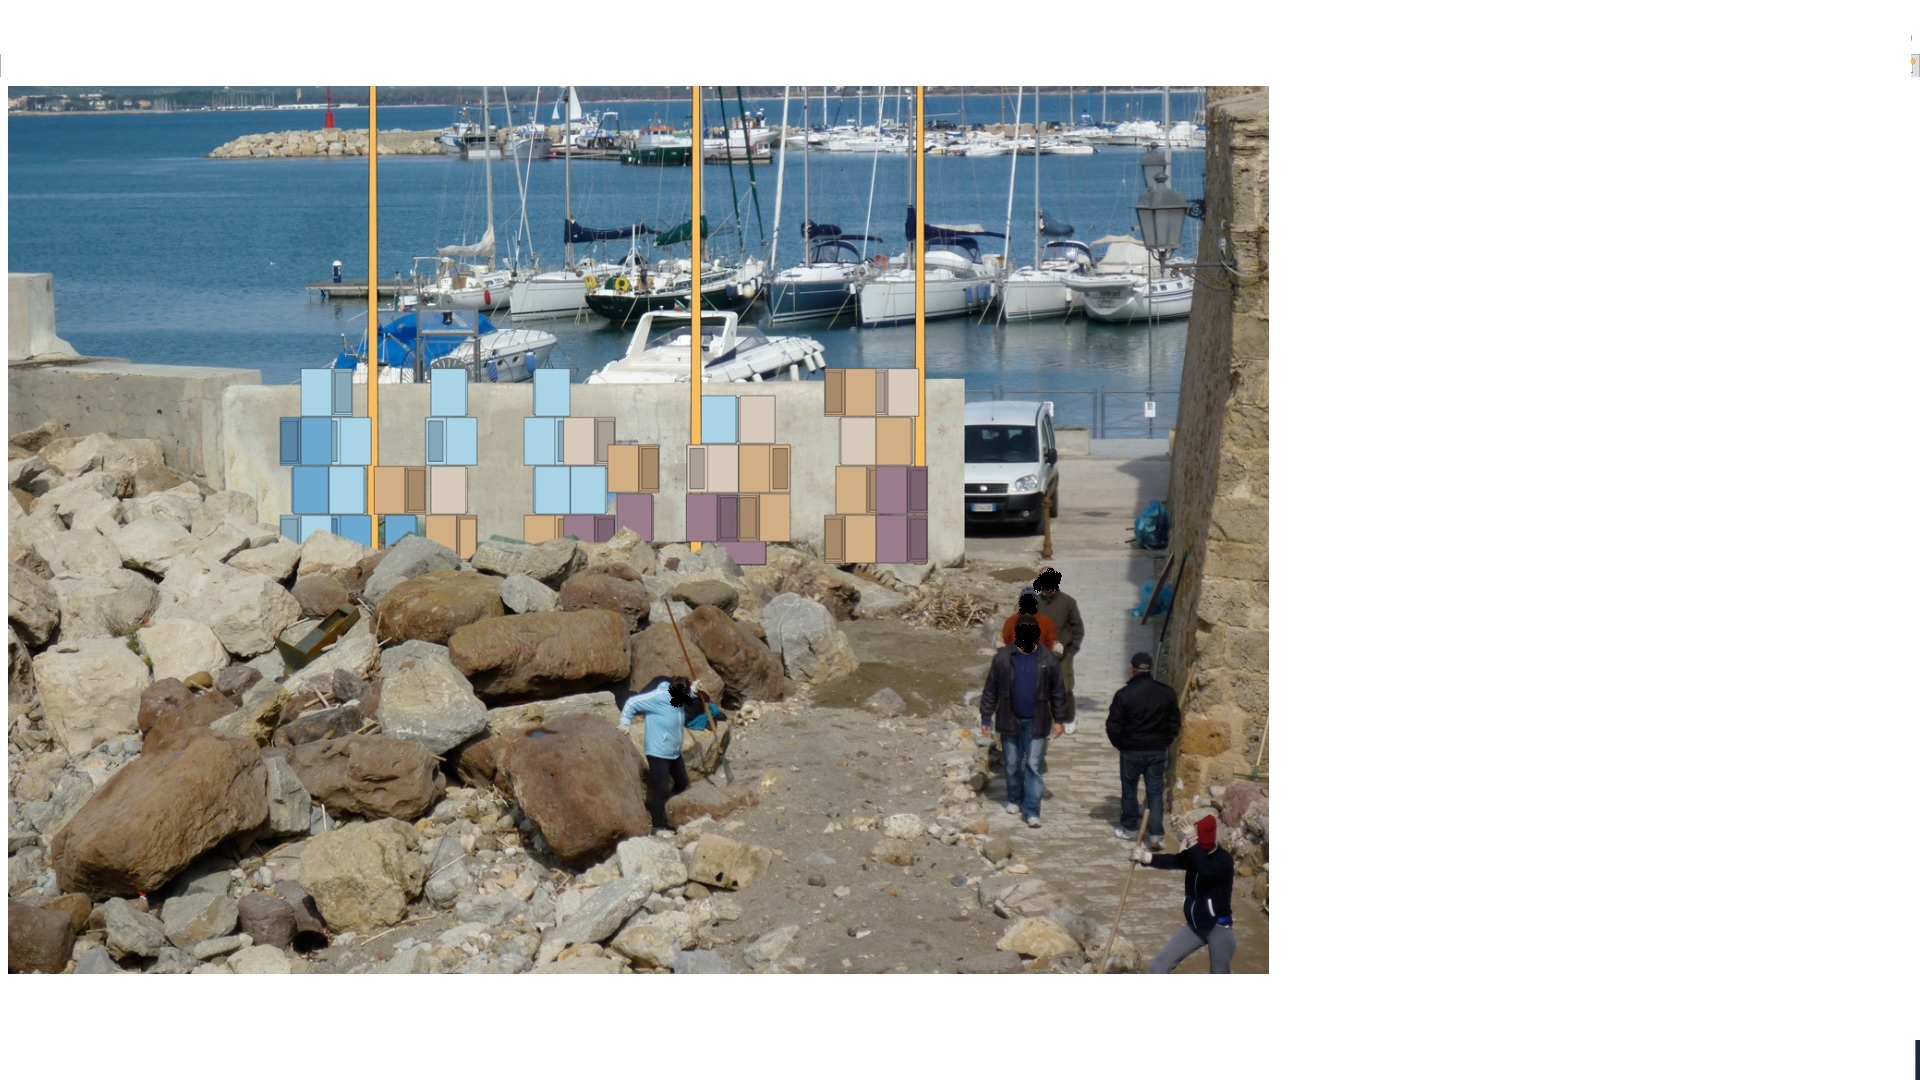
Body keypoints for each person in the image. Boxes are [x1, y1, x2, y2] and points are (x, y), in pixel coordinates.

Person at [978, 618, 1068, 829]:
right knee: (1012, 763)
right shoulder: (1003, 658)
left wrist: (1059, 719)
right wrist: (986, 717)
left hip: (1037, 721)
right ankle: (1015, 798)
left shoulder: (1048, 659)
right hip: (1009, 719)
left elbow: (1058, 691)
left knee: (1034, 765)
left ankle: (1032, 811)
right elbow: (991, 689)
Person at [1133, 814, 1236, 973]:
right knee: (1162, 962)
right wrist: (1146, 857)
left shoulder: (1224, 860)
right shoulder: (1195, 854)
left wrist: (1193, 843)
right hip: (1195, 926)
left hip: (1218, 928)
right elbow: (1174, 861)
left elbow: (1206, 871)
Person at [1105, 652, 1181, 848]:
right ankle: (1156, 835)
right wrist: (1166, 741)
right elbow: (1174, 722)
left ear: (1132, 669)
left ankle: (1130, 829)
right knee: (1155, 792)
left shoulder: (1124, 694)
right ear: (1152, 669)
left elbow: (1113, 725)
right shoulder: (1167, 693)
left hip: (1131, 749)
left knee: (1129, 790)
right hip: (1157, 749)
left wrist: (1120, 744)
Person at [621, 675, 711, 836]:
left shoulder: (678, 697)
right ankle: (657, 826)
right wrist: (625, 722)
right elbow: (632, 702)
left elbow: (683, 700)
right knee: (661, 789)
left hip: (673, 752)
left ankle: (670, 808)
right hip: (658, 752)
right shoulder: (658, 698)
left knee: (682, 782)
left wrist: (693, 691)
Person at [1032, 568, 1084, 733]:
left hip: (1063, 654)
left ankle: (1068, 718)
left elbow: (1078, 628)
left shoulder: (1068, 602)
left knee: (1065, 688)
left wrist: (1072, 649)